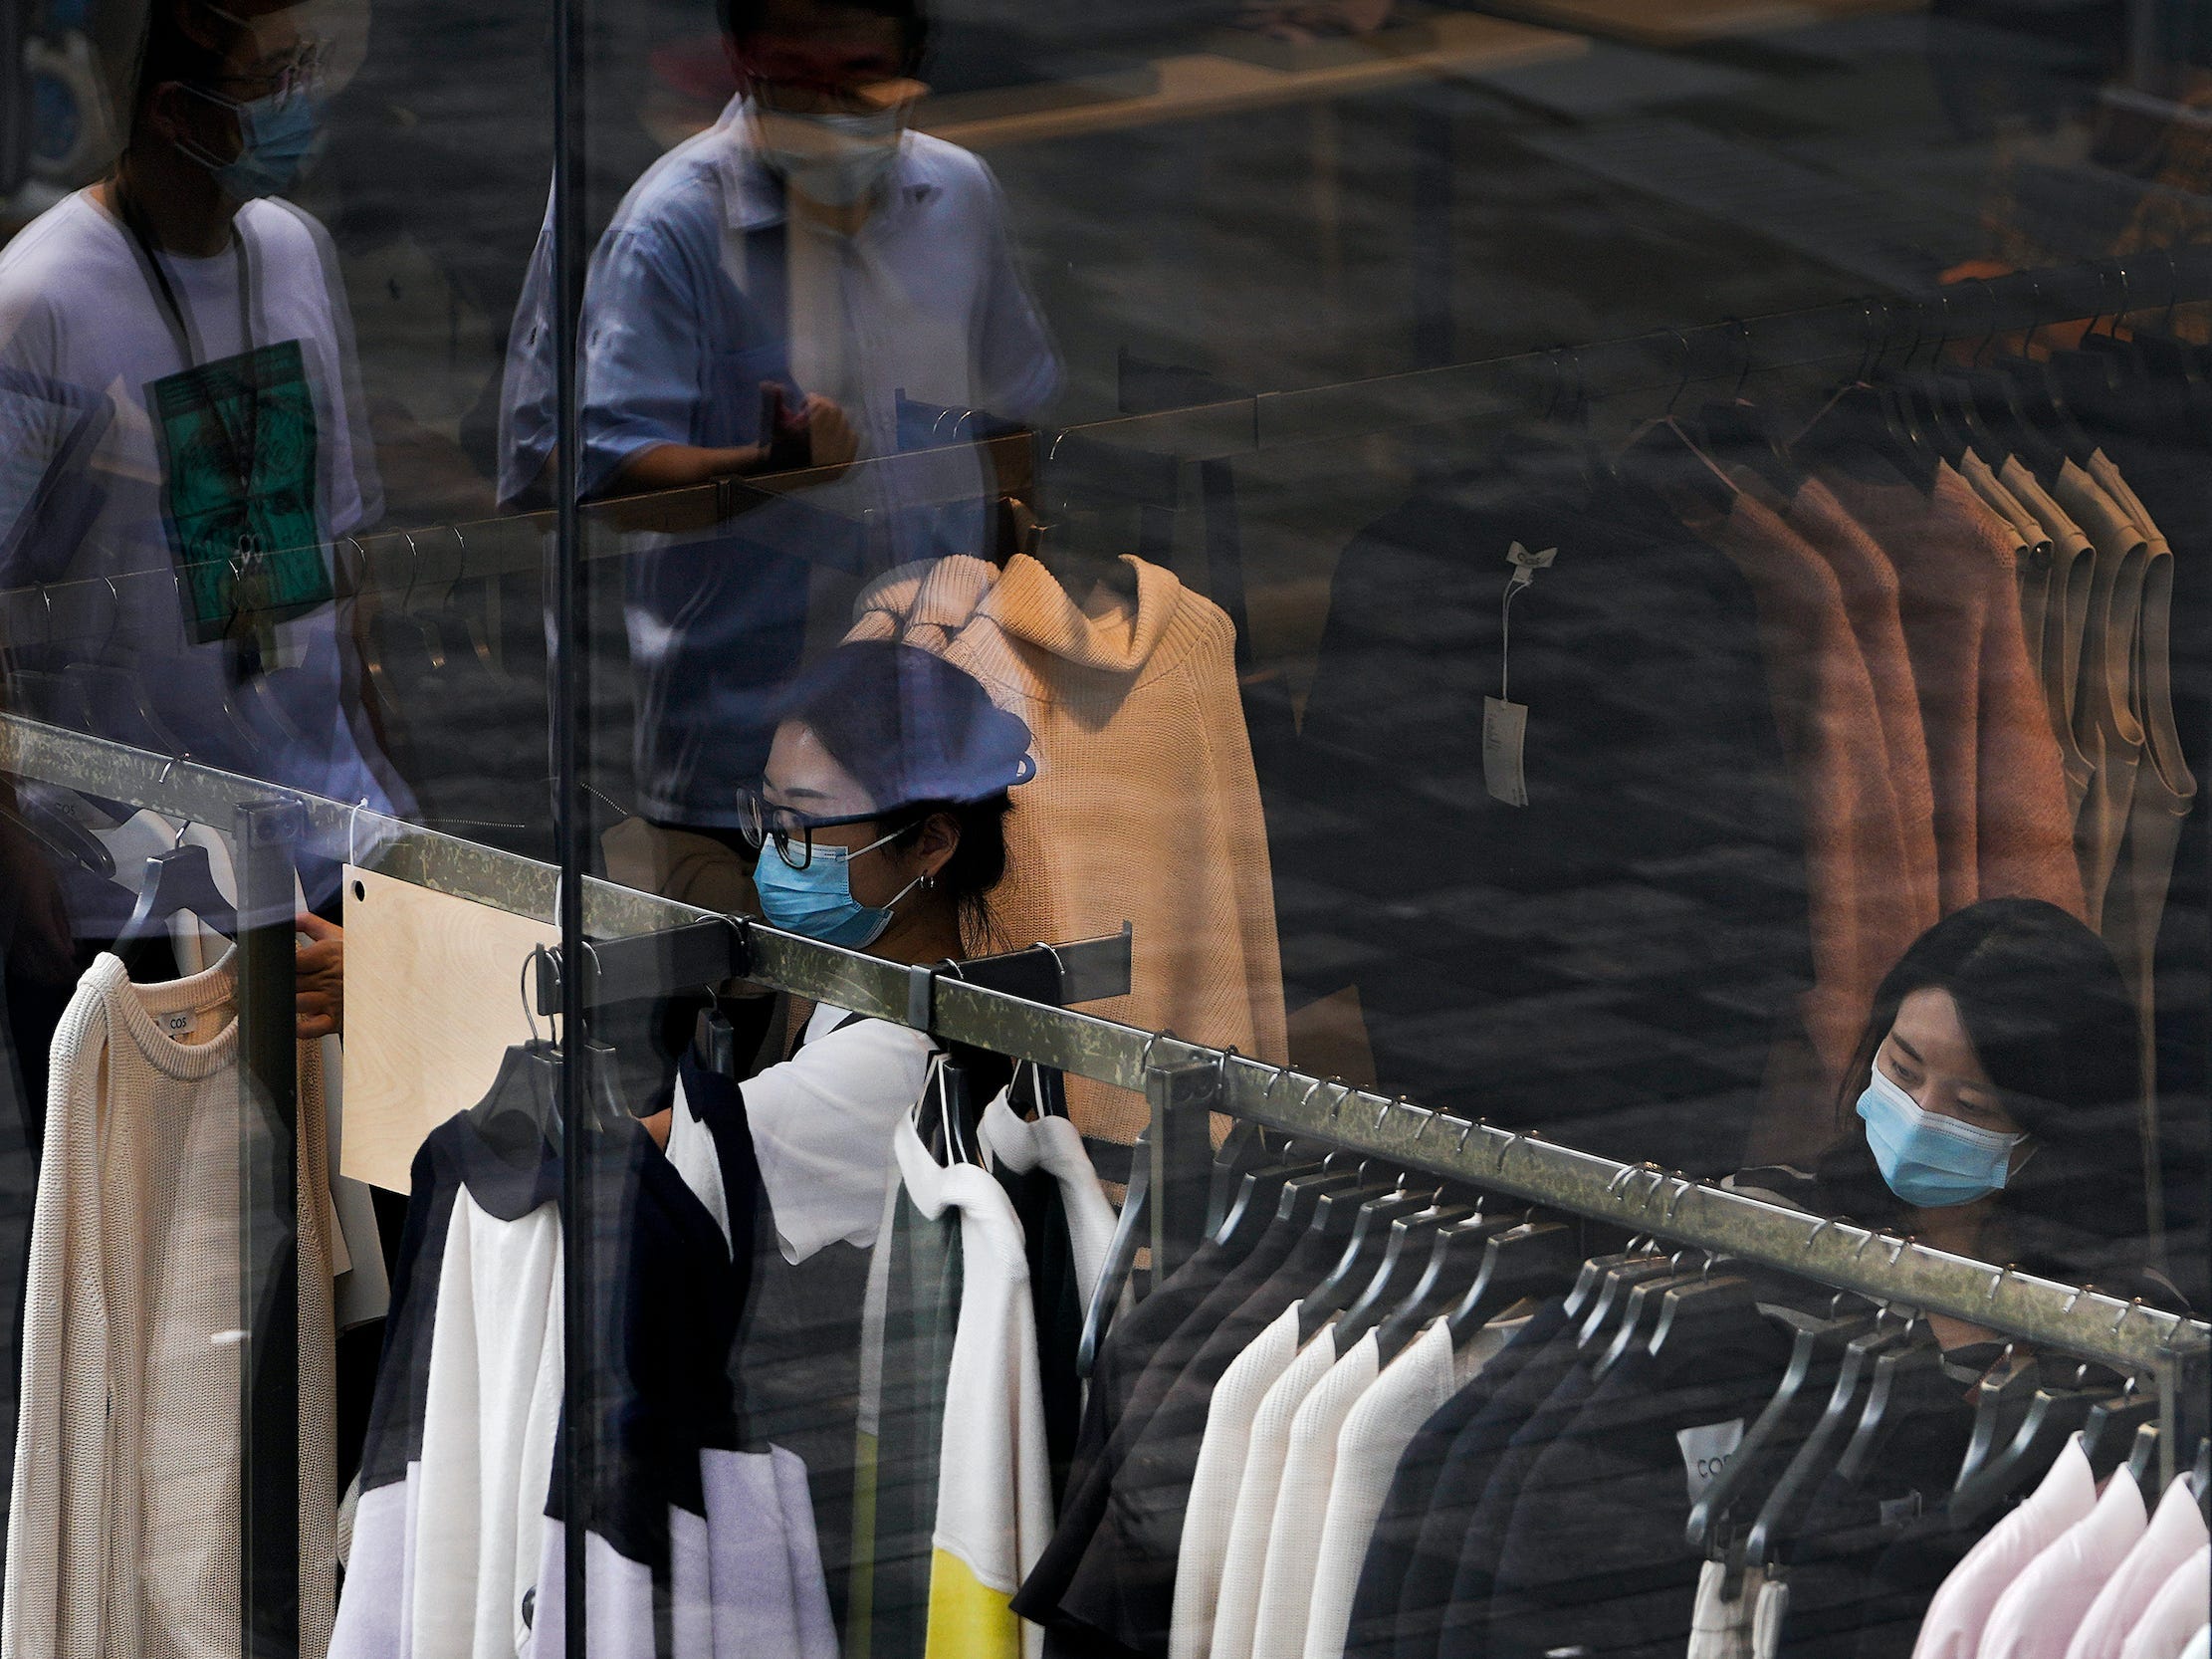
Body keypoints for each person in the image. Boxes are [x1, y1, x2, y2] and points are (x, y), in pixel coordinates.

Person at [499, 0, 1060, 910]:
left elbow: (1008, 417)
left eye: (860, 80)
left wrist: (1016, 605)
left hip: (935, 707)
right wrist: (759, 478)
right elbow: (587, 483)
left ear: (912, 66)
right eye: (797, 81)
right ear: (742, 61)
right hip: (743, 741)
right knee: (751, 1007)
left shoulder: (958, 193)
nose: (830, 109)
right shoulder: (671, 226)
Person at [636, 637, 1034, 1624]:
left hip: (846, 1516)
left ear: (931, 843)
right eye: (765, 818)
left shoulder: (883, 1068)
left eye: (806, 827)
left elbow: (632, 1149)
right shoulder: (924, 999)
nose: (773, 855)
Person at [0, 0, 407, 894]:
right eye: (271, 81)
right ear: (175, 113)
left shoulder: (297, 250)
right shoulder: (38, 302)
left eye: (306, 70)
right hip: (130, 870)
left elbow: (342, 560)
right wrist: (16, 857)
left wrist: (384, 776)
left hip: (332, 831)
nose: (301, 102)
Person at [1741, 898, 2183, 1338]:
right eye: (1904, 1070)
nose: (1920, 1117)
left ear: (2053, 1130)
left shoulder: (2126, 1315)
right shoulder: (1757, 1216)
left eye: (1971, 1105)